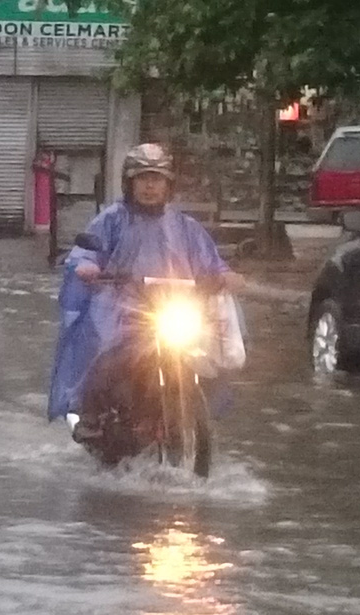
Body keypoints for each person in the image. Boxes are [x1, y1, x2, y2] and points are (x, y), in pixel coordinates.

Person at [48, 144, 241, 429]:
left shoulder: (185, 227)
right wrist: (87, 266)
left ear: (168, 185)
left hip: (173, 308)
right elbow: (85, 254)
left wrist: (226, 275)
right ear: (130, 183)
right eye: (143, 178)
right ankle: (90, 413)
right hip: (121, 309)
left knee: (210, 350)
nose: (150, 185)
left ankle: (192, 414)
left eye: (157, 178)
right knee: (103, 348)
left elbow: (210, 262)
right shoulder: (111, 219)